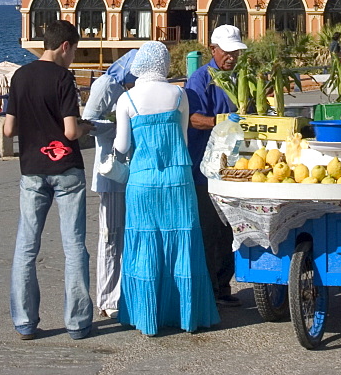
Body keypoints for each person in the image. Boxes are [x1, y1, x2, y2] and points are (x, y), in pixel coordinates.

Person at [114, 41, 218, 336]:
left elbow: (122, 146)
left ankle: (148, 317)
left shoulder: (128, 99)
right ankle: (186, 315)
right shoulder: (179, 94)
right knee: (183, 242)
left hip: (143, 181)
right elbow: (183, 139)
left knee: (146, 243)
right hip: (179, 179)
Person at [4, 20, 93, 341]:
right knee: (73, 247)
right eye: (75, 51)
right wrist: (86, 127)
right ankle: (77, 322)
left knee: (26, 247)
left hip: (31, 169)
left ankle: (25, 321)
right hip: (66, 169)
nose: (74, 59)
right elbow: (70, 131)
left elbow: (8, 129)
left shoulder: (20, 76)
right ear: (65, 46)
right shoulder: (63, 78)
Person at [185, 23, 247, 307]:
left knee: (230, 229)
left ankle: (223, 286)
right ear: (213, 49)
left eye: (236, 52)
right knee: (210, 230)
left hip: (234, 167)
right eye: (227, 52)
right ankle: (209, 289)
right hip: (204, 167)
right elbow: (191, 118)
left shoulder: (238, 79)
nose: (232, 57)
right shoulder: (200, 79)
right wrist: (219, 122)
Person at [82, 50, 137, 319]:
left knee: (124, 236)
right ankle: (107, 298)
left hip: (128, 170)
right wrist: (119, 124)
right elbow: (87, 123)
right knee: (110, 236)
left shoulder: (129, 86)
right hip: (109, 170)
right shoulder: (106, 85)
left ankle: (122, 293)